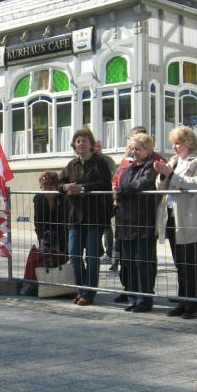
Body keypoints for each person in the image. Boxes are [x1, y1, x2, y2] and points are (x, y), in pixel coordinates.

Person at [154, 125, 197, 319]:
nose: (174, 147)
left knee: (192, 263)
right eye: (173, 143)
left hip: (191, 217)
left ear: (188, 142)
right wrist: (163, 174)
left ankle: (193, 304)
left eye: (177, 143)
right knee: (180, 263)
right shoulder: (174, 160)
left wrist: (172, 175)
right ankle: (182, 300)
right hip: (172, 216)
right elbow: (160, 186)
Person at [59, 128, 113, 306]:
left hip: (94, 216)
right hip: (75, 216)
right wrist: (66, 187)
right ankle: (82, 288)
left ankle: (89, 293)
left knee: (91, 256)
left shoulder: (100, 163)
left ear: (91, 144)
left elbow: (105, 184)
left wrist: (83, 188)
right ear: (74, 145)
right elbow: (60, 182)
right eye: (78, 141)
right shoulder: (71, 164)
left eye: (84, 140)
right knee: (74, 254)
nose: (81, 144)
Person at [114, 133, 160, 312]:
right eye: (133, 148)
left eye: (138, 149)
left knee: (143, 263)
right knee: (129, 262)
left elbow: (143, 183)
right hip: (126, 221)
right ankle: (133, 298)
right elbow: (120, 184)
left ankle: (144, 299)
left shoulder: (151, 165)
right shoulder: (128, 167)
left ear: (147, 150)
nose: (134, 152)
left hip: (143, 221)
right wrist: (122, 190)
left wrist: (123, 190)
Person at [94, 139, 118, 268]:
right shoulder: (90, 160)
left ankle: (108, 252)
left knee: (106, 225)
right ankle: (99, 252)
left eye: (99, 146)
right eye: (95, 146)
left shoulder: (108, 160)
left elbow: (114, 176)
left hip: (106, 198)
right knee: (95, 226)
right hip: (93, 200)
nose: (97, 148)